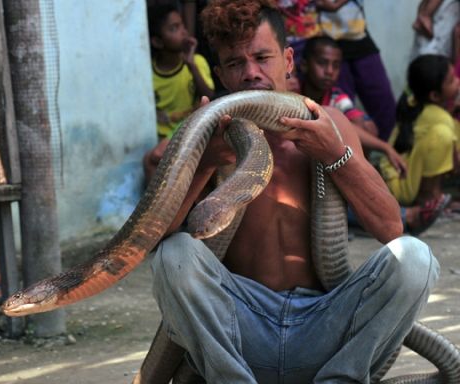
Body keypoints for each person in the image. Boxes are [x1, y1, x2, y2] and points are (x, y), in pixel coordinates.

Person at [151, 1, 439, 382]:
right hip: (241, 330)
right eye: (236, 64)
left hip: (323, 323)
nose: (252, 73)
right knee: (173, 254)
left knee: (415, 259)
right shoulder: (206, 131)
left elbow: (390, 228)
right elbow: (157, 238)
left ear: (288, 60)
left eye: (262, 57)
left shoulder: (328, 123)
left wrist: (337, 156)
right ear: (220, 73)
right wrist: (207, 161)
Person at [298, 36, 445, 235]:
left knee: (365, 126)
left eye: (335, 65)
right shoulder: (293, 92)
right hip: (301, 175)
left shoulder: (335, 96)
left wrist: (375, 146)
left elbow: (351, 124)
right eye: (322, 63)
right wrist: (383, 147)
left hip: (326, 173)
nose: (329, 71)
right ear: (304, 65)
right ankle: (404, 217)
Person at [378, 54, 458, 224]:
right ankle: (429, 198)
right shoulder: (440, 118)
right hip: (401, 188)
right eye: (452, 81)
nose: (458, 81)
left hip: (393, 182)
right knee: (442, 135)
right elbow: (455, 163)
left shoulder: (416, 103)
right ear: (435, 96)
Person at [143, 4, 215, 183]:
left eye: (182, 25)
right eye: (174, 28)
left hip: (190, 132)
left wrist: (191, 65)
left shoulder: (197, 62)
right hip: (162, 139)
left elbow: (210, 97)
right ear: (158, 42)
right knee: (153, 159)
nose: (183, 32)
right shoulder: (147, 74)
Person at [316, 0, 397, 141]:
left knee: (384, 103)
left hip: (356, 31)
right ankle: (352, 155)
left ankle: (384, 153)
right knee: (341, 112)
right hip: (321, 35)